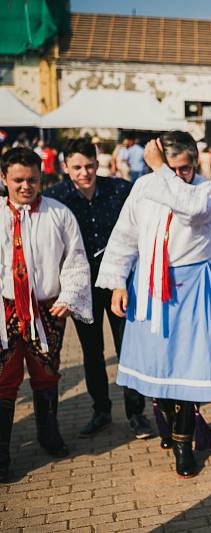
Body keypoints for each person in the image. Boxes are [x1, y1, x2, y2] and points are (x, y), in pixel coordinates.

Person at [97, 131, 211, 478]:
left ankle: (184, 446)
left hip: (190, 287)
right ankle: (169, 424)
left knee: (186, 368)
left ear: (194, 163)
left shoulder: (208, 191)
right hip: (148, 284)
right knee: (158, 366)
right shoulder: (144, 187)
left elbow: (191, 208)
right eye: (174, 168)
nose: (180, 174)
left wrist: (161, 171)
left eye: (186, 168)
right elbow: (125, 235)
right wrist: (118, 284)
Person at [44, 138, 152, 439]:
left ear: (98, 163)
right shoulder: (56, 197)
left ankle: (136, 413)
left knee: (126, 349)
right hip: (82, 286)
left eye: (89, 166)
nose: (84, 173)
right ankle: (101, 410)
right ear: (66, 167)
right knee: (92, 352)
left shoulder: (119, 189)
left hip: (118, 283)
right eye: (77, 167)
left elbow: (138, 230)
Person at [0, 147, 92, 482]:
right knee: (4, 379)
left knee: (46, 373)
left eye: (33, 180)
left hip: (47, 307)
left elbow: (76, 258)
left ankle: (48, 434)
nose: (26, 186)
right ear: (4, 179)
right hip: (5, 308)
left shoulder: (59, 214)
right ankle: (2, 453)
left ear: (43, 178)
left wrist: (69, 296)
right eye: (18, 180)